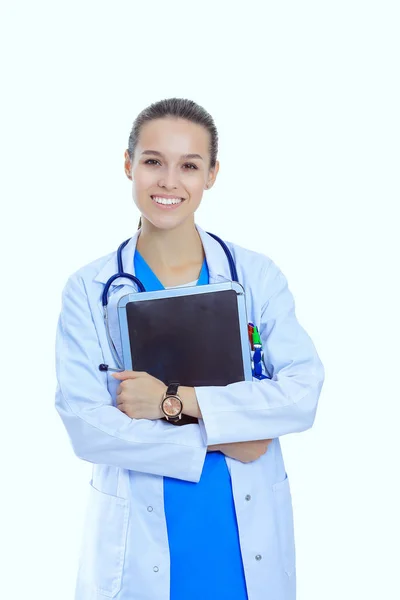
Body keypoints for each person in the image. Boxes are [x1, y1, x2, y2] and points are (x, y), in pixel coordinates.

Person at [55, 97, 325, 600]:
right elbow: (88, 427)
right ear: (128, 165)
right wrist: (230, 434)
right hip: (142, 543)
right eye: (154, 161)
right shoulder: (89, 288)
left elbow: (302, 391)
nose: (169, 182)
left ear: (212, 173)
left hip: (242, 536)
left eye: (190, 165)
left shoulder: (255, 276)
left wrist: (169, 403)